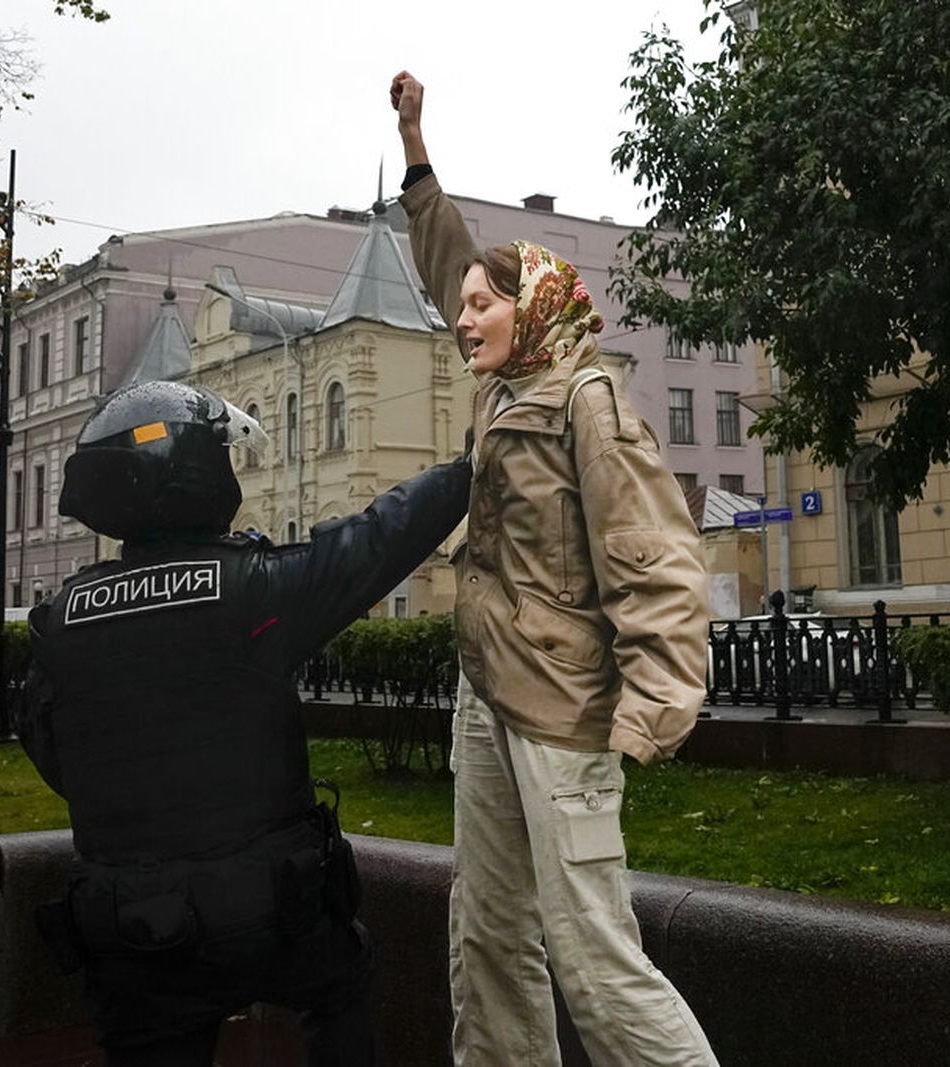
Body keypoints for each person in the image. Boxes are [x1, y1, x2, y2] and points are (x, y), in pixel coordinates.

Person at [391, 72, 719, 1066]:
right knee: (488, 937)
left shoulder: (585, 398)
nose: (464, 317)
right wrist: (414, 144)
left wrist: (655, 703)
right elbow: (450, 256)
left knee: (591, 953)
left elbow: (658, 556)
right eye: (462, 307)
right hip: (484, 695)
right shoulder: (503, 389)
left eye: (485, 305)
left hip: (564, 706)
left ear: (531, 306)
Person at [19, 380, 470, 1066]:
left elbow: (51, 749)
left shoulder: (62, 619)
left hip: (133, 928)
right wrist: (468, 471)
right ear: (195, 470)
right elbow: (378, 539)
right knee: (339, 983)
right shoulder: (249, 589)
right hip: (269, 913)